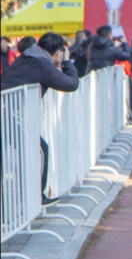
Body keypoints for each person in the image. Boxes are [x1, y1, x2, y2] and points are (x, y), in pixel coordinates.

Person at [1, 32, 80, 205]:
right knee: (40, 150)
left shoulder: (29, 56)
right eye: (61, 54)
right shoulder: (43, 64)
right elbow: (71, 84)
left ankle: (27, 201)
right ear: (58, 53)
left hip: (7, 105)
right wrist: (66, 62)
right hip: (8, 108)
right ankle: (37, 198)